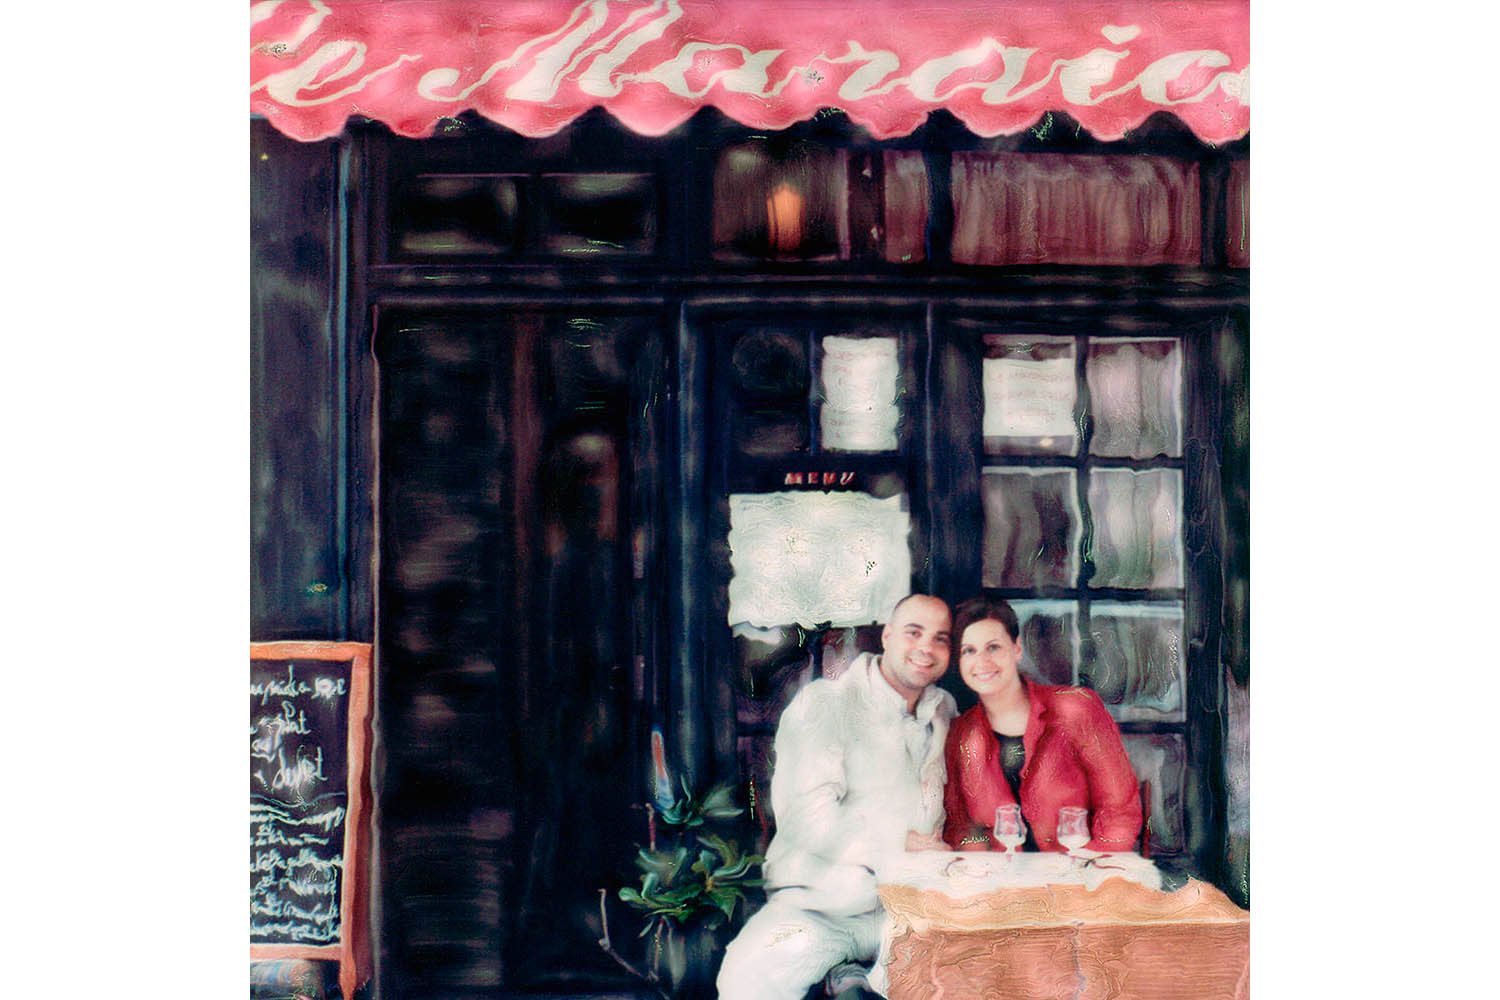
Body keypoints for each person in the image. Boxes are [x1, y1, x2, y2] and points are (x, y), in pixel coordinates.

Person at [716, 594, 958, 1000]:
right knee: (745, 978)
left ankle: (853, 980)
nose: (927, 649)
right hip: (828, 905)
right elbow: (808, 817)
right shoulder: (826, 704)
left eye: (941, 639)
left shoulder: (942, 709)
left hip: (915, 909)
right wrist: (897, 847)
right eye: (914, 633)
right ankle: (846, 975)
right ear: (888, 635)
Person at [942, 596, 1142, 854]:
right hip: (1001, 883)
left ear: (1017, 649)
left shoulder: (1076, 709)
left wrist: (1092, 872)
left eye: (993, 647)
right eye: (969, 650)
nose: (981, 661)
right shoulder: (961, 734)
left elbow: (1120, 810)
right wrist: (984, 874)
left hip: (1081, 875)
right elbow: (960, 827)